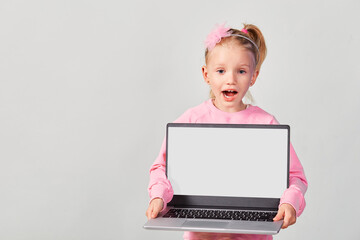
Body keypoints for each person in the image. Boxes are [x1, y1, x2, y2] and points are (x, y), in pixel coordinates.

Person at [146, 23, 308, 240]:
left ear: (253, 76)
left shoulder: (266, 123)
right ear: (206, 74)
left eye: (241, 71)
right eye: (221, 71)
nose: (230, 79)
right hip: (202, 234)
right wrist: (158, 196)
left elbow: (295, 176)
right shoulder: (192, 120)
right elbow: (162, 168)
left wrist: (290, 201)